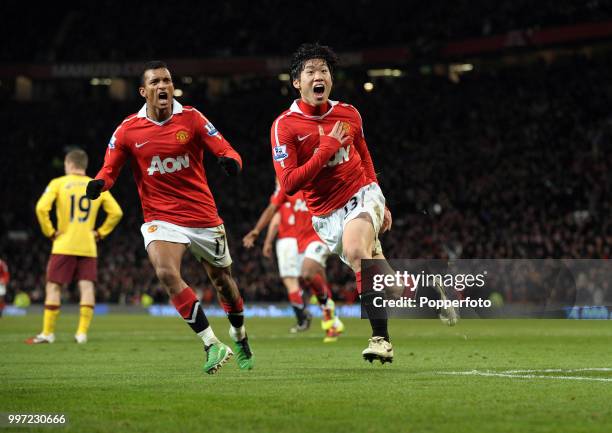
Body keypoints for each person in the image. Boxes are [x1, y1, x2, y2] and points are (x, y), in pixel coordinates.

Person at [270, 43, 457, 364]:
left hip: (361, 193)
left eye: (324, 71)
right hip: (325, 216)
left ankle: (381, 340)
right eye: (311, 71)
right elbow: (289, 184)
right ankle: (429, 292)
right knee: (389, 284)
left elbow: (365, 156)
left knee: (357, 253)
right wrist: (325, 149)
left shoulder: (349, 113)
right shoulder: (284, 126)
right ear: (297, 83)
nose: (319, 76)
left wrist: (379, 200)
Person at [85, 60, 253, 374]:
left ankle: (239, 334)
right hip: (160, 217)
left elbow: (226, 148)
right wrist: (99, 184)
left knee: (224, 283)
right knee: (165, 272)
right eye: (155, 82)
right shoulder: (127, 129)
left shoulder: (191, 118)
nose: (162, 86)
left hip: (202, 216)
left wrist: (231, 161)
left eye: (167, 81)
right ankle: (211, 343)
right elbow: (109, 170)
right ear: (143, 90)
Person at [26, 148, 123, 344]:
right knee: (86, 287)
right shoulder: (95, 185)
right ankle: (81, 333)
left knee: (53, 287)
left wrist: (50, 231)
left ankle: (47, 333)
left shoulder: (58, 183)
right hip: (88, 244)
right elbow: (117, 213)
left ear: (69, 164)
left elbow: (41, 207)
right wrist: (100, 233)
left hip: (63, 244)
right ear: (84, 165)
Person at [244, 181, 344, 341]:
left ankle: (328, 314)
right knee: (316, 276)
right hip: (302, 242)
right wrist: (257, 230)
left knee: (307, 272)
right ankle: (332, 318)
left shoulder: (319, 179)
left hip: (321, 236)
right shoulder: (288, 187)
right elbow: (272, 209)